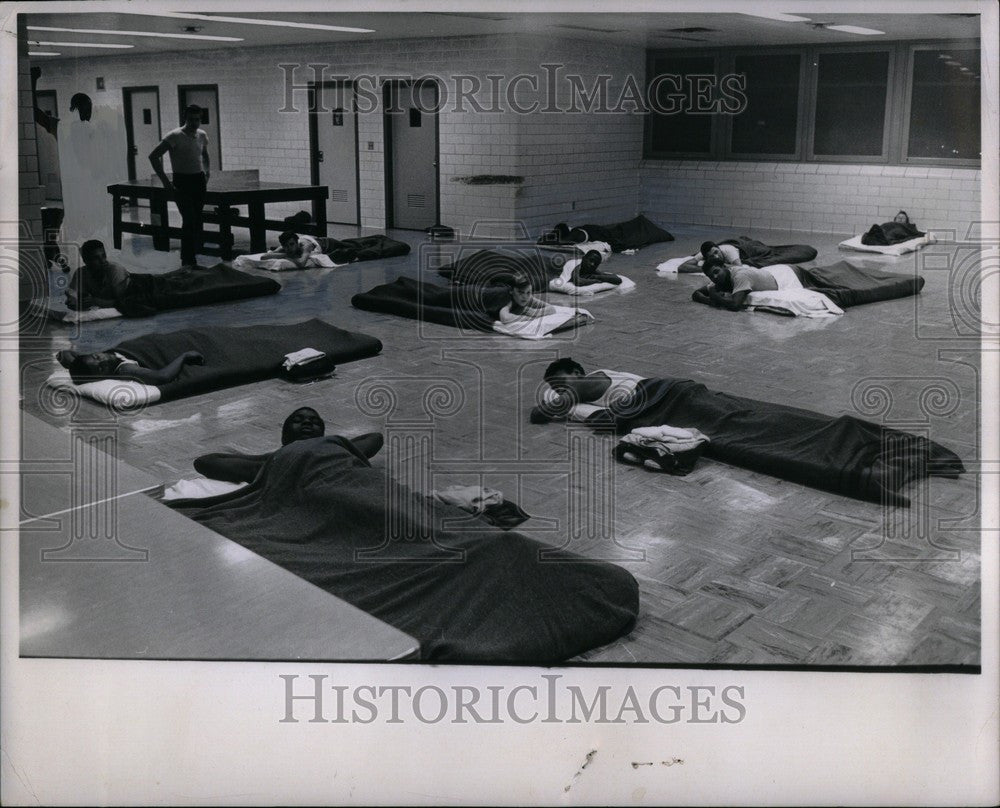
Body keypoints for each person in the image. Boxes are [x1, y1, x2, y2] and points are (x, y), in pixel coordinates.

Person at [193, 407, 384, 483]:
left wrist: (330, 445)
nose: (308, 423)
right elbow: (205, 462)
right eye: (298, 420)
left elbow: (375, 437)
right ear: (284, 437)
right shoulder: (270, 465)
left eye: (315, 421)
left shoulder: (339, 450)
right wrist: (274, 457)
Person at [149, 105, 211, 268]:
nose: (194, 123)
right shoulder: (174, 136)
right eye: (191, 120)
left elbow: (204, 154)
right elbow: (153, 156)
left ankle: (192, 257)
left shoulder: (202, 135)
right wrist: (166, 182)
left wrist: (207, 171)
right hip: (182, 181)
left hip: (198, 179)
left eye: (197, 120)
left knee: (196, 219)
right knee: (189, 219)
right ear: (185, 118)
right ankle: (187, 260)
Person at [530, 358, 645, 423]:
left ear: (576, 373)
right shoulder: (603, 374)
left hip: (652, 397)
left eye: (562, 382)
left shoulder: (583, 384)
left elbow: (537, 415)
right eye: (556, 389)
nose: (561, 390)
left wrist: (547, 404)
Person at [57, 347, 204, 386]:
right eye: (101, 368)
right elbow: (162, 377)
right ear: (103, 377)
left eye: (97, 356)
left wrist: (73, 363)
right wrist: (184, 356)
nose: (104, 360)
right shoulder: (124, 369)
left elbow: (64, 354)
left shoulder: (101, 359)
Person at [691, 256, 780, 311]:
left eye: (716, 271)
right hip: (765, 272)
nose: (715, 277)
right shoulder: (719, 279)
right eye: (711, 276)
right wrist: (709, 301)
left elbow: (735, 305)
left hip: (781, 275)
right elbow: (696, 294)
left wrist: (716, 297)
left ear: (724, 266)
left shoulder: (740, 276)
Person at [65, 239, 132, 310]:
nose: (103, 261)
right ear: (86, 260)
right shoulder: (81, 273)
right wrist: (73, 299)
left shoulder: (116, 270)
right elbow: (75, 294)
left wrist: (95, 301)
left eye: (103, 256)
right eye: (96, 258)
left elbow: (125, 303)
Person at [260, 230, 326, 269]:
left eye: (292, 244)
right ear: (283, 245)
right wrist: (285, 254)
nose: (289, 248)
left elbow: (301, 263)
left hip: (328, 243)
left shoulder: (305, 246)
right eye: (286, 246)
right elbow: (264, 257)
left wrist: (287, 256)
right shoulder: (283, 247)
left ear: (297, 243)